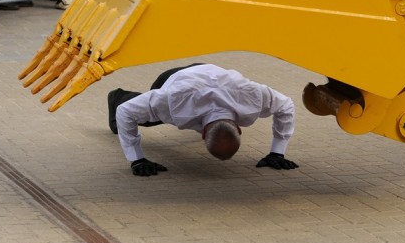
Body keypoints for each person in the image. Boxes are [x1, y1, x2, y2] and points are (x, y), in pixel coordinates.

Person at [107, 63, 298, 176]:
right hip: (176, 78)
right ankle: (116, 95)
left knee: (153, 114)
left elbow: (286, 105)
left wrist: (277, 153)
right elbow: (125, 112)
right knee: (147, 120)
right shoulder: (171, 100)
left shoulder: (251, 97)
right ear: (239, 129)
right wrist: (137, 159)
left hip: (212, 72)